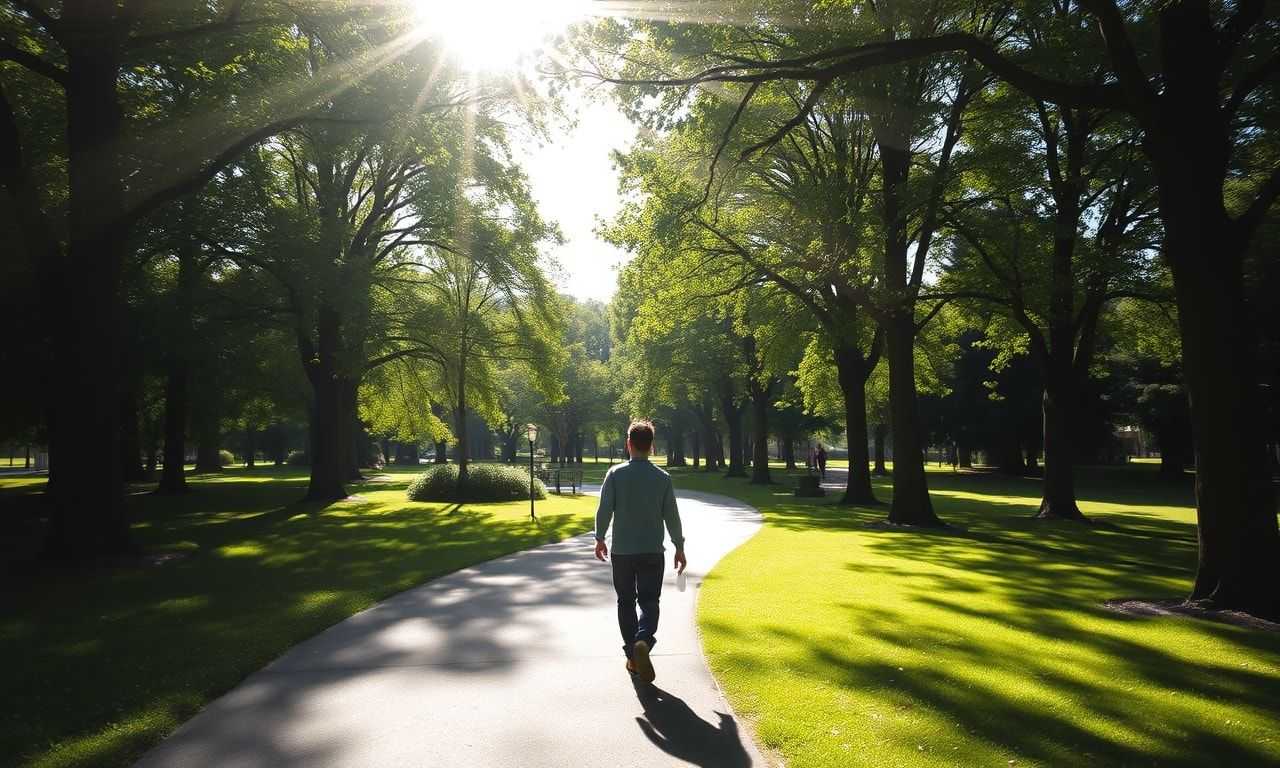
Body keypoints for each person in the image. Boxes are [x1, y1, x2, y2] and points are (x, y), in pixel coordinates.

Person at [594, 420, 686, 684]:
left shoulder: (615, 474)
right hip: (651, 551)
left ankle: (633, 656)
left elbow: (604, 510)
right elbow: (672, 516)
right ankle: (643, 639)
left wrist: (600, 539)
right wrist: (679, 547)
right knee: (649, 601)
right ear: (652, 446)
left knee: (625, 601)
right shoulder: (662, 478)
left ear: (629, 444)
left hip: (622, 551)